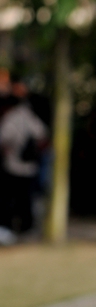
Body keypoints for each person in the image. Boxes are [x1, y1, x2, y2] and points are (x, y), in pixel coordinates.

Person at [0, 80, 48, 242]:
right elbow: (42, 135)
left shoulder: (11, 118)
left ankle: (9, 228)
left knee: (10, 200)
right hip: (29, 167)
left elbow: (4, 139)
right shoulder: (30, 117)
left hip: (12, 166)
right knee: (26, 200)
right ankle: (26, 228)